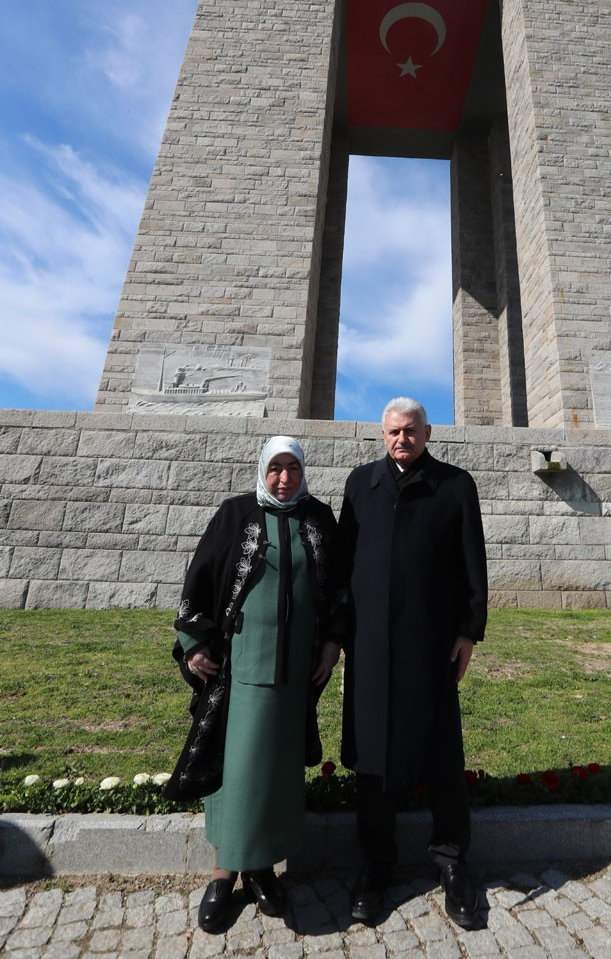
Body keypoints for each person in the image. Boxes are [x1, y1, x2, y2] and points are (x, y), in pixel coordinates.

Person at [164, 437, 346, 933]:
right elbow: (199, 580)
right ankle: (224, 874)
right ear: (262, 470)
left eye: (292, 468)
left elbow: (338, 588)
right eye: (275, 468)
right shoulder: (235, 513)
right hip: (239, 669)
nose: (283, 478)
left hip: (296, 672)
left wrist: (333, 642)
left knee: (277, 770)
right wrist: (195, 643)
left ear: (302, 472)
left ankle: (262, 868)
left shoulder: (318, 518)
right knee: (236, 767)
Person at [338, 397, 488, 929]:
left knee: (442, 754)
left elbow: (473, 561)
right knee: (372, 761)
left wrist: (470, 632)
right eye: (393, 432)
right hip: (371, 646)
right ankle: (376, 866)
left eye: (411, 430)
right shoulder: (359, 486)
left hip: (431, 645)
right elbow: (342, 566)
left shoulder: (455, 485)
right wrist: (338, 637)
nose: (402, 439)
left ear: (427, 432)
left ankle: (452, 863)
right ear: (382, 435)